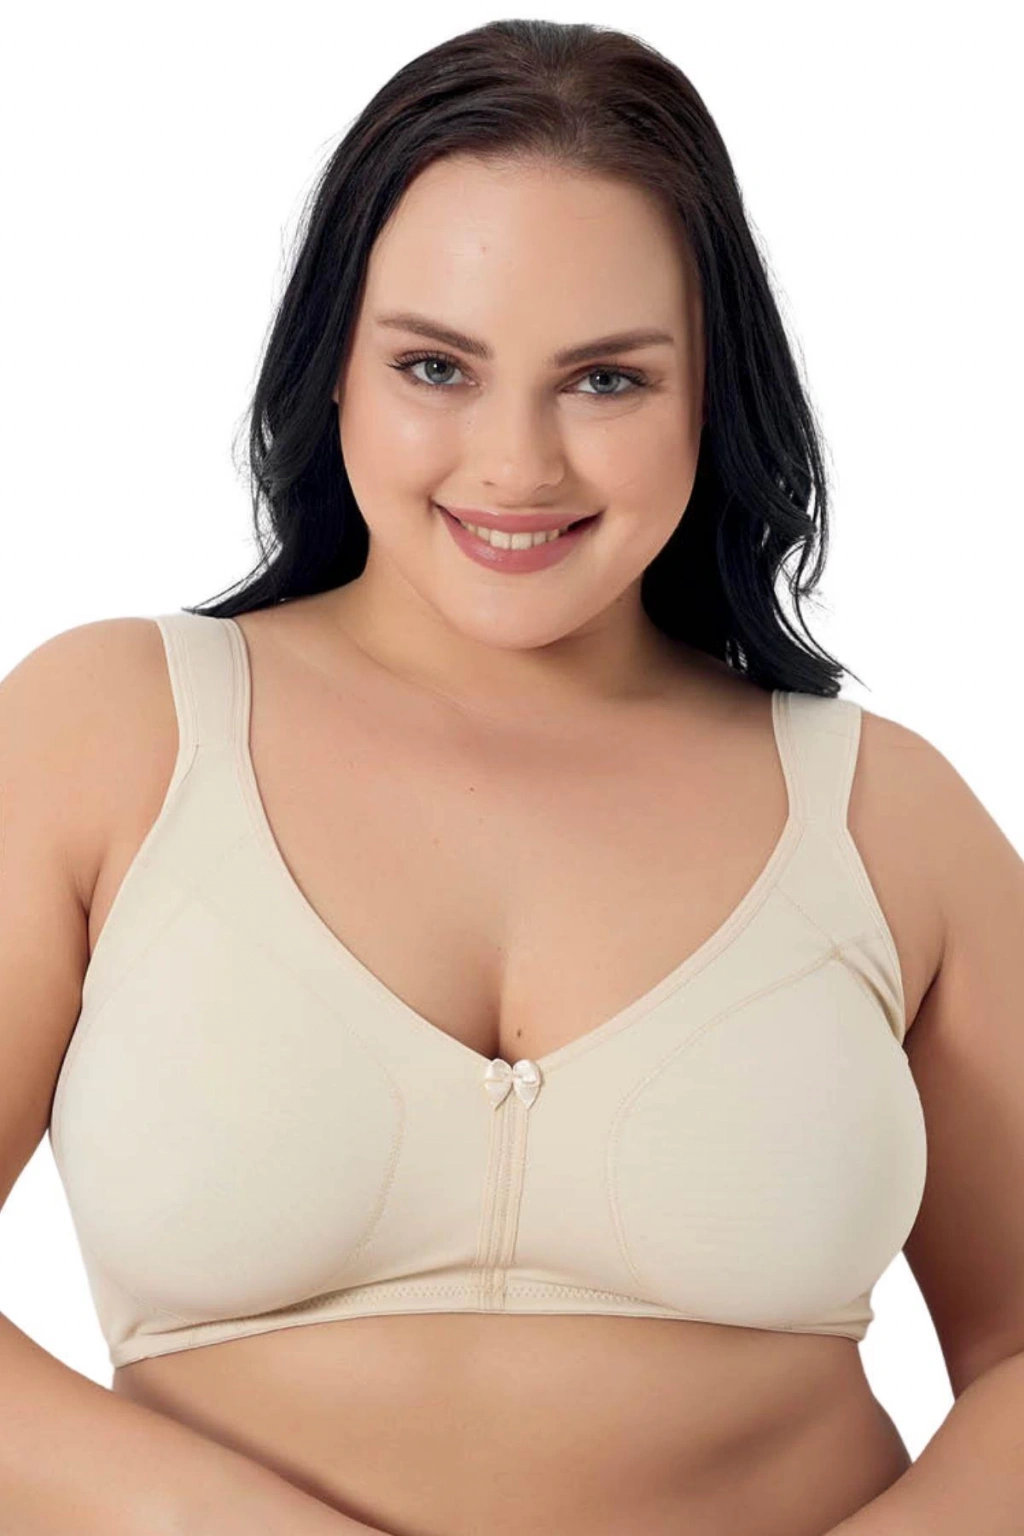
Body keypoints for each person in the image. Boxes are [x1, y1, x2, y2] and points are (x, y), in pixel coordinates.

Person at [2, 19, 1022, 1536]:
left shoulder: (892, 818)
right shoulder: (108, 732)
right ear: (333, 373)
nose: (516, 466)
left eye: (605, 379)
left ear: (710, 397)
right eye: (436, 366)